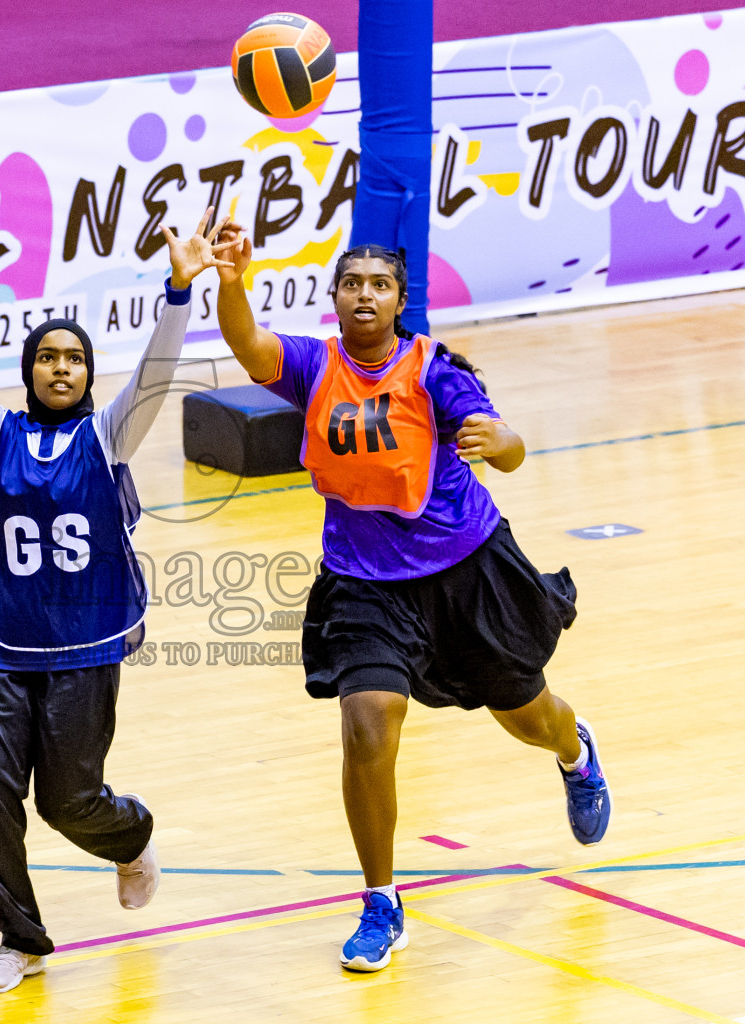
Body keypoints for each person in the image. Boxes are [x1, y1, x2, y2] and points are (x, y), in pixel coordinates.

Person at [212, 233, 611, 973]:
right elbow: (247, 342)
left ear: (400, 302)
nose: (364, 295)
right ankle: (382, 900)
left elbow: (510, 447)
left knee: (526, 715)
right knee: (368, 722)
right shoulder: (314, 366)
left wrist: (505, 441)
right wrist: (233, 282)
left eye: (379, 286)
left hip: (463, 569)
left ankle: (575, 751)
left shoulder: (434, 371)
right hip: (364, 579)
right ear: (334, 299)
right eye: (351, 284)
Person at [0, 210, 234, 993]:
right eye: (47, 358)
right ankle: (19, 939)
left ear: (88, 374)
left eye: (74, 359)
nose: (60, 369)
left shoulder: (108, 437)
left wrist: (180, 290)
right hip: (0, 644)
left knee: (69, 801)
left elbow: (154, 377)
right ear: (28, 371)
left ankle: (131, 834)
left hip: (84, 646)